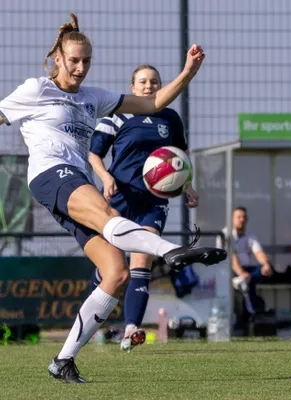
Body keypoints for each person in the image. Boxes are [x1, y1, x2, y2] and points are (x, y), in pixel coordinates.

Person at [0, 14, 226, 383]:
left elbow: (152, 103)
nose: (80, 68)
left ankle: (63, 361)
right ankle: (171, 250)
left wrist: (188, 72)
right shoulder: (35, 89)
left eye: (86, 61)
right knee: (107, 213)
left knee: (116, 273)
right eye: (74, 60)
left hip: (76, 180)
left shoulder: (95, 97)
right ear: (58, 58)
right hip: (51, 175)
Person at [89, 64, 199, 352]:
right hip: (119, 198)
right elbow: (94, 154)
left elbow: (180, 157)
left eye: (154, 82)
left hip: (152, 202)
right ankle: (89, 322)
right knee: (110, 270)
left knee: (141, 264)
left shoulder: (170, 117)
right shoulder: (116, 114)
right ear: (132, 87)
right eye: (143, 82)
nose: (149, 86)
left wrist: (188, 186)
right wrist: (106, 177)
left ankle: (130, 330)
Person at [216, 207, 274, 323]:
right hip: (229, 270)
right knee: (246, 282)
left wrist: (266, 265)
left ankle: (251, 313)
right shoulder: (225, 234)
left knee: (264, 270)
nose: (242, 220)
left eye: (244, 217)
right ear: (232, 219)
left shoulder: (250, 235)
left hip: (248, 271)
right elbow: (231, 258)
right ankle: (250, 314)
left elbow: (259, 252)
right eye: (239, 217)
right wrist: (241, 273)